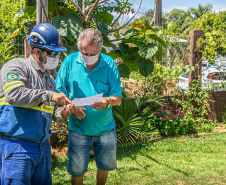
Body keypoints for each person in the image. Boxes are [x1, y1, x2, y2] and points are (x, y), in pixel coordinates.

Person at [0, 23, 74, 185]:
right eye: (52, 53)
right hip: (17, 147)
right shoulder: (17, 67)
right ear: (36, 51)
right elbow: (14, 95)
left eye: (57, 53)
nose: (55, 57)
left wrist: (64, 112)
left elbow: (54, 114)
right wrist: (49, 95)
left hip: (43, 148)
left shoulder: (49, 79)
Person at [56, 28, 122, 185]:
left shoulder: (109, 64)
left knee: (104, 166)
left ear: (100, 49)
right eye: (85, 53)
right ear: (79, 48)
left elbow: (117, 98)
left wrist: (107, 101)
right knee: (77, 170)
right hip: (78, 129)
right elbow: (59, 91)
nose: (88, 57)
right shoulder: (70, 62)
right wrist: (72, 105)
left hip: (105, 128)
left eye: (93, 54)